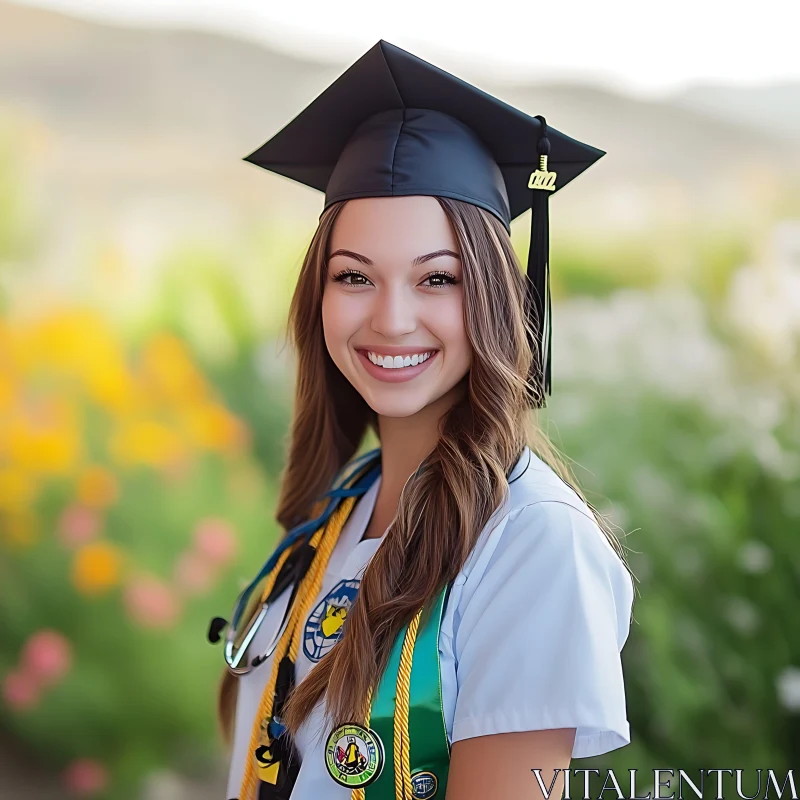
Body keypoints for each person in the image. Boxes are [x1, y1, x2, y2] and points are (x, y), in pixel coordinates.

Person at [210, 40, 636, 800]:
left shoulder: (532, 546)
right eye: (354, 277)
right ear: (318, 295)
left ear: (498, 297)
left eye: (437, 277)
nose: (392, 318)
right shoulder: (339, 510)